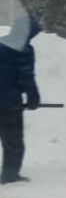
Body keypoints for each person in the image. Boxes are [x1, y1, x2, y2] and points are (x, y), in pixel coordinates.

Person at [0, 13, 41, 184]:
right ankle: (10, 175)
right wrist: (33, 98)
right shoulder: (23, 49)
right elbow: (26, 77)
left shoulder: (1, 44)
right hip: (10, 105)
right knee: (13, 142)